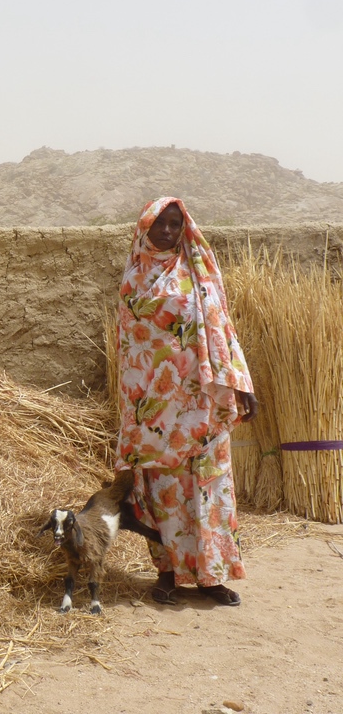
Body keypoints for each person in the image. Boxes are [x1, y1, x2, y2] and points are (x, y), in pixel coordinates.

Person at [114, 197, 258, 607]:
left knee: (209, 487)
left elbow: (221, 328)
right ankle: (167, 573)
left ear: (184, 228)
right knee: (163, 489)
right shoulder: (133, 279)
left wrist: (241, 384)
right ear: (144, 228)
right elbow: (131, 350)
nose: (166, 232)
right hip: (156, 408)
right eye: (159, 224)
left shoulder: (200, 273)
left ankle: (211, 577)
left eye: (174, 224)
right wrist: (137, 411)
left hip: (204, 403)